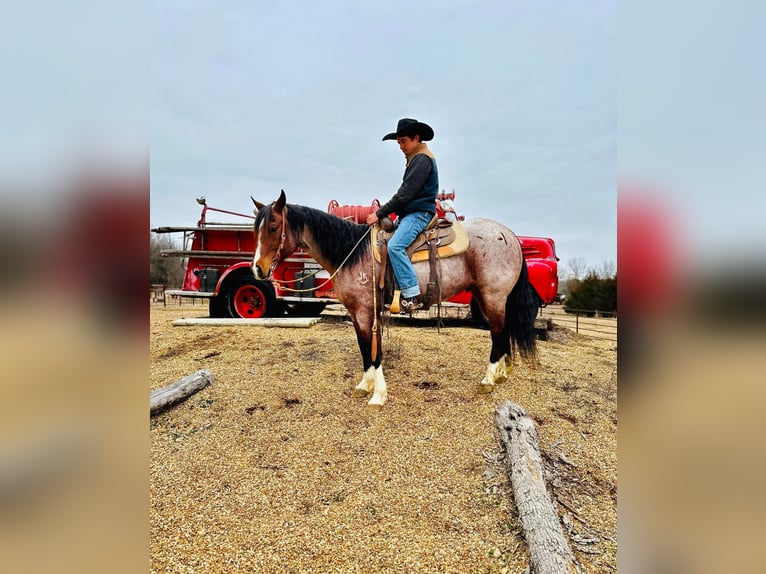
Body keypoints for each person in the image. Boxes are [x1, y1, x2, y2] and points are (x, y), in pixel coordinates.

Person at [366, 118, 439, 312]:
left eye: (403, 141)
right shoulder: (415, 158)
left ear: (416, 138)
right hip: (410, 213)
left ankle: (411, 294)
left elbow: (405, 194)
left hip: (419, 213)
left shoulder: (422, 159)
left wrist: (379, 213)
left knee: (395, 246)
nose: (400, 146)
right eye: (398, 142)